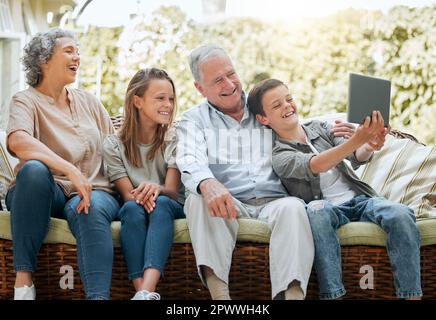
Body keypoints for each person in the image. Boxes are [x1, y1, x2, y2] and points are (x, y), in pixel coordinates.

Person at [176, 44, 353, 300]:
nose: (230, 84)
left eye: (231, 73)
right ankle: (220, 298)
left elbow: (295, 125)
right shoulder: (194, 119)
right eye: (218, 80)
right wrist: (206, 182)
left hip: (276, 202)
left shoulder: (262, 105)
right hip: (229, 203)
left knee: (294, 207)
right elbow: (189, 158)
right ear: (200, 88)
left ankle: (290, 297)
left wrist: (337, 133)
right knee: (197, 197)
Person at [247, 78, 422, 300]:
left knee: (400, 213)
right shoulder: (279, 154)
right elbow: (317, 164)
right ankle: (333, 295)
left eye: (289, 99)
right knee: (317, 211)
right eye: (277, 105)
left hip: (359, 199)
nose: (287, 106)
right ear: (263, 118)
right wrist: (358, 139)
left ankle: (411, 295)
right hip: (326, 208)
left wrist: (369, 144)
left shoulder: (319, 128)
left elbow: (354, 155)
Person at [5, 28, 120, 300]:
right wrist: (68, 169)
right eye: (69, 51)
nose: (77, 57)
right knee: (33, 170)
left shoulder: (89, 102)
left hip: (93, 189)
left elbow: (115, 150)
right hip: (43, 192)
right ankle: (23, 282)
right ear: (44, 60)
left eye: (78, 52)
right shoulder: (26, 100)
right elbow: (17, 141)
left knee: (88, 208)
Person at [103, 68, 185, 300]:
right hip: (135, 204)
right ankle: (143, 293)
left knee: (160, 205)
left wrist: (156, 188)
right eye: (160, 98)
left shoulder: (175, 137)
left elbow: (171, 190)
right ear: (137, 101)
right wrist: (147, 192)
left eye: (170, 98)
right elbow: (128, 195)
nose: (168, 104)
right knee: (129, 208)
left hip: (170, 205)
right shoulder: (113, 144)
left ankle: (146, 290)